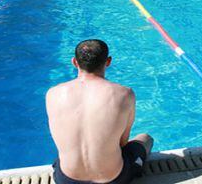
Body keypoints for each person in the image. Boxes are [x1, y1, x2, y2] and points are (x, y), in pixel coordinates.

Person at [47, 40, 153, 184]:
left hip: (66, 179)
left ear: (74, 62)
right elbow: (123, 142)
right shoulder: (124, 94)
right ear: (108, 61)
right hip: (114, 179)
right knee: (145, 138)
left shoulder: (53, 93)